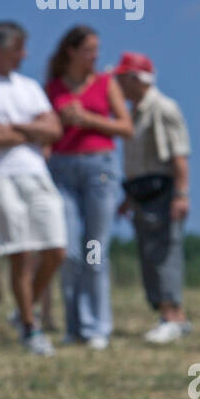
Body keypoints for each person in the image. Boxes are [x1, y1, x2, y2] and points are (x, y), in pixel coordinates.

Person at [0, 21, 66, 356]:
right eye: (19, 48)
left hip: (36, 174)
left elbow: (54, 129)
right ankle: (30, 326)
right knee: (20, 254)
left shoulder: (30, 86)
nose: (25, 55)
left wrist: (18, 128)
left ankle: (23, 312)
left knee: (55, 249)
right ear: (0, 50)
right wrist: (34, 132)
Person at [45, 26, 132, 349]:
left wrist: (88, 120)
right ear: (71, 52)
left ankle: (98, 326)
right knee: (68, 251)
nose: (95, 56)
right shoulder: (52, 88)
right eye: (89, 50)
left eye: (96, 49)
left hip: (100, 168)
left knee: (96, 250)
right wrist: (60, 122)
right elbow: (44, 130)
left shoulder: (106, 85)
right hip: (61, 169)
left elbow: (126, 126)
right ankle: (74, 325)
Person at [112, 52, 192, 344]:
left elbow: (178, 155)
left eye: (121, 78)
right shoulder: (134, 113)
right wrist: (129, 197)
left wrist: (181, 194)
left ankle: (172, 316)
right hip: (141, 192)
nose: (117, 85)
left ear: (135, 79)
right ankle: (168, 312)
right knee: (149, 254)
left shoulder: (163, 108)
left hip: (163, 191)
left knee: (164, 252)